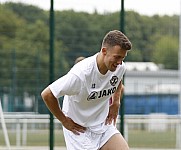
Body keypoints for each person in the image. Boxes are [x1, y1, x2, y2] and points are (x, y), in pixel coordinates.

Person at [41, 30, 132, 150]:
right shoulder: (81, 75)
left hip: (102, 125)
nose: (120, 62)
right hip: (79, 129)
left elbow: (118, 81)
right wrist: (64, 120)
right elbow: (47, 94)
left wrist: (116, 102)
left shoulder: (119, 68)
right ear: (104, 51)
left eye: (123, 58)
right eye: (117, 57)